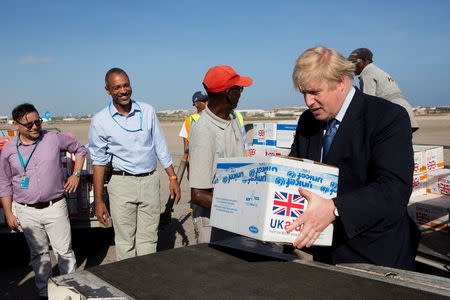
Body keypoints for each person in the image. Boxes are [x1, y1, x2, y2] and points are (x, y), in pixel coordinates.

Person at [286, 47, 420, 270]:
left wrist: (335, 208)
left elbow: (394, 189)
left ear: (340, 82)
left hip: (374, 253)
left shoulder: (387, 117)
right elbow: (298, 167)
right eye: (303, 93)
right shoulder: (308, 121)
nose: (308, 102)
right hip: (321, 251)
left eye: (315, 92)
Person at [88, 68, 181, 261]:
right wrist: (98, 201)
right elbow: (98, 163)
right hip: (121, 184)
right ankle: (128, 286)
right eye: (117, 87)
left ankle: (146, 285)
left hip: (149, 181)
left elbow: (160, 146)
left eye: (126, 85)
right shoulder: (100, 120)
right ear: (108, 90)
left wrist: (172, 177)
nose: (123, 91)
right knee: (125, 242)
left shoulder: (147, 111)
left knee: (149, 239)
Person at [0, 103, 86, 299]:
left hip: (55, 206)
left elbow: (80, 150)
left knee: (64, 252)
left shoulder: (53, 138)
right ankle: (44, 293)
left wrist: (76, 174)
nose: (35, 127)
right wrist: (8, 213)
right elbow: (4, 183)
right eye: (28, 124)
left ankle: (70, 291)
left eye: (37, 122)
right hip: (26, 210)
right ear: (16, 125)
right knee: (39, 255)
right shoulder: (8, 150)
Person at [189, 65, 252, 243]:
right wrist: (240, 206)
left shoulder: (231, 119)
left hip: (235, 216)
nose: (241, 93)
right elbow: (198, 194)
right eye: (239, 89)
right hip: (213, 221)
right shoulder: (204, 130)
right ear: (229, 93)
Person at [348, 48, 419, 132]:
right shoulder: (377, 71)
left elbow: (368, 103)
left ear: (364, 61)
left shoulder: (367, 74)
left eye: (353, 62)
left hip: (393, 114)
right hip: (405, 111)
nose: (351, 66)